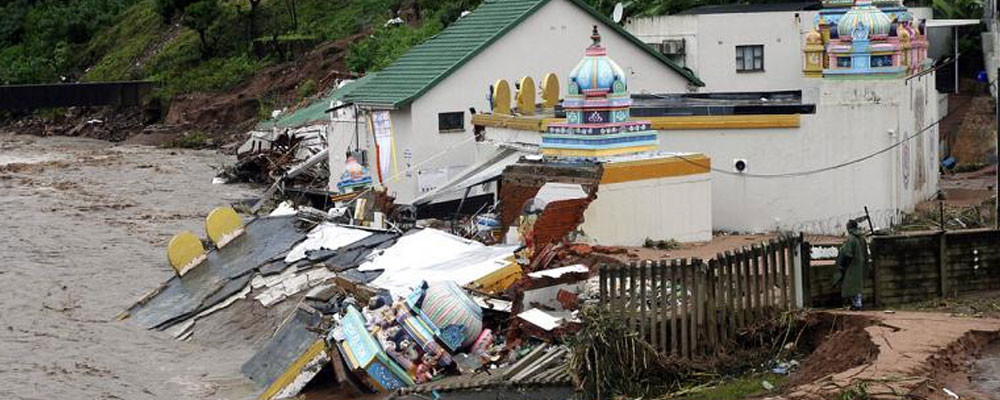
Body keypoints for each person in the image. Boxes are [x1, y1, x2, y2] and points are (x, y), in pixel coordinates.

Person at [837, 219, 869, 310]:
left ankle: (856, 305)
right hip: (860, 265)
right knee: (858, 286)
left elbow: (848, 253)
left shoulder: (851, 238)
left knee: (851, 286)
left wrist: (843, 265)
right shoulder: (861, 238)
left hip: (852, 266)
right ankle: (857, 304)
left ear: (849, 227)